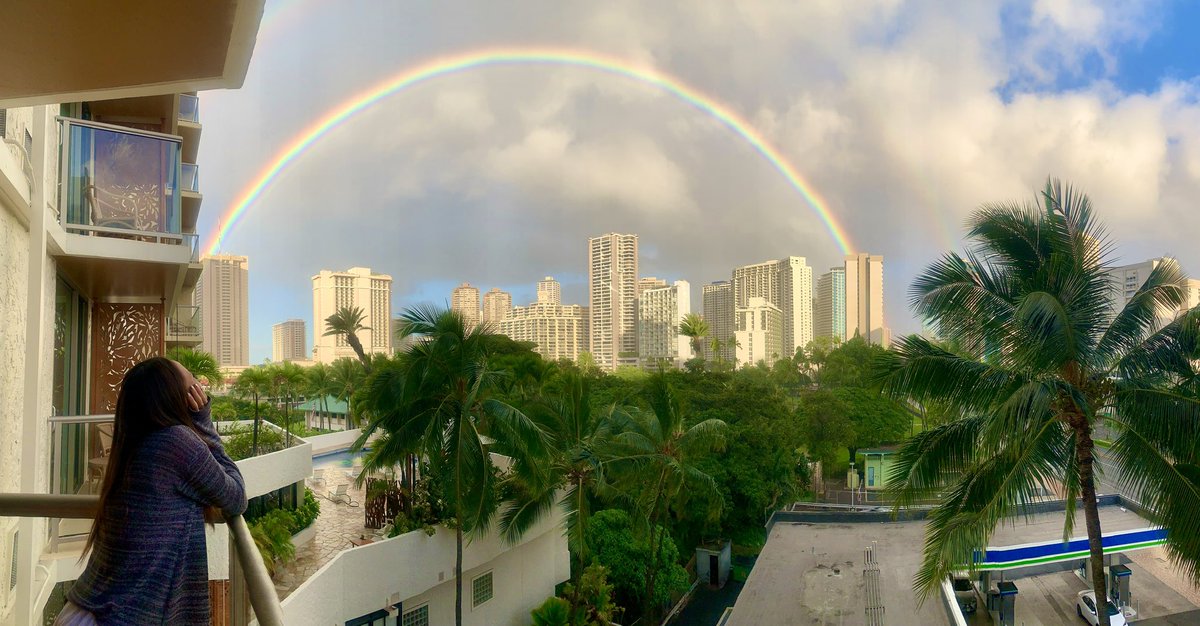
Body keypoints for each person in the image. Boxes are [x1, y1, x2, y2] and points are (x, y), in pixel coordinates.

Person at [56, 357, 246, 625]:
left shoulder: (133, 444)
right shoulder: (176, 442)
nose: (201, 387)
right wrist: (204, 422)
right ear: (180, 397)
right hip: (118, 617)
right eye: (193, 382)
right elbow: (236, 497)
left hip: (88, 611)